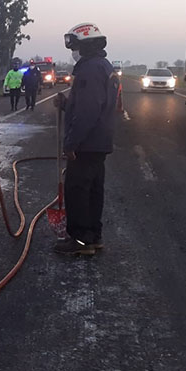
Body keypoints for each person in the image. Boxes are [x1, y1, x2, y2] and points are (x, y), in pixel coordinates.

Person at [53, 22, 119, 256]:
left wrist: (72, 142)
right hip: (99, 140)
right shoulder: (103, 66)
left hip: (87, 142)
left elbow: (88, 110)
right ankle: (94, 235)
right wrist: (66, 104)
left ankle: (81, 240)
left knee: (78, 190)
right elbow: (91, 104)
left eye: (76, 45)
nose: (73, 51)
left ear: (87, 45)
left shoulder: (89, 69)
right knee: (93, 189)